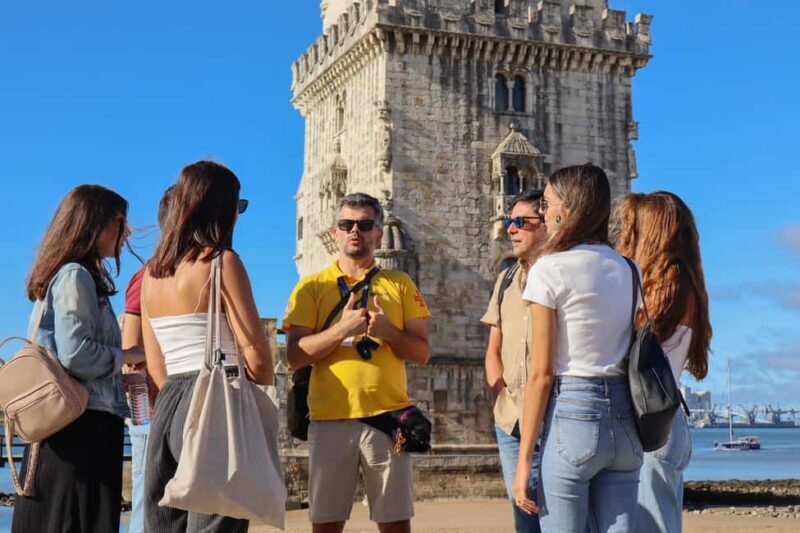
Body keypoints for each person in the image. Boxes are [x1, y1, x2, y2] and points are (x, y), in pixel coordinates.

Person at [284, 192, 430, 533]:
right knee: (326, 524)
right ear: (335, 232)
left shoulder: (401, 284)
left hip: (388, 419)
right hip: (330, 419)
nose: (355, 231)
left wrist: (389, 332)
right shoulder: (311, 287)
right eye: (346, 224)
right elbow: (294, 356)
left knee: (395, 523)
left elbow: (422, 354)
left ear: (378, 233)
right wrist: (341, 330)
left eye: (365, 225)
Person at [141, 161, 273, 532]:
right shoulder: (221, 262)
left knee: (168, 520)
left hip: (170, 404)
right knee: (216, 520)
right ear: (222, 208)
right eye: (238, 206)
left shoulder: (152, 274)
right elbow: (259, 361)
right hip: (217, 398)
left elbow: (157, 365)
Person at [512, 164, 644, 533]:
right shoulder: (631, 269)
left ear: (565, 212)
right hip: (626, 420)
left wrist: (525, 460)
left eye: (546, 202)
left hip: (574, 412)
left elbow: (540, 374)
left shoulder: (549, 268)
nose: (542, 211)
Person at [12, 185, 145, 533]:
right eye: (120, 221)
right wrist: (127, 355)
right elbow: (76, 354)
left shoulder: (63, 274)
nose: (126, 231)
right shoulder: (76, 275)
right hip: (83, 427)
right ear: (97, 223)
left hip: (63, 426)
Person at [616, 191, 712, 533]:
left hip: (651, 425)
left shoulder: (669, 283)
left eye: (634, 228)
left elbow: (630, 342)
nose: (626, 235)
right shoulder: (686, 281)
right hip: (663, 422)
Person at [481, 190, 547, 533]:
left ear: (547, 224)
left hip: (552, 417)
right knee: (524, 516)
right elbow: (493, 347)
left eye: (521, 222)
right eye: (510, 221)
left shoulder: (560, 276)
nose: (511, 229)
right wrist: (500, 398)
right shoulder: (505, 279)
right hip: (510, 421)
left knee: (555, 516)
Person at [119, 185, 173, 533]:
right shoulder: (148, 277)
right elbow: (131, 356)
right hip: (154, 411)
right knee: (148, 510)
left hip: (167, 409)